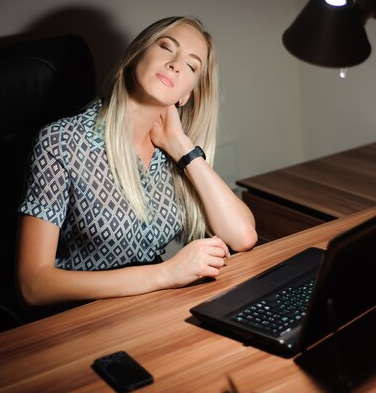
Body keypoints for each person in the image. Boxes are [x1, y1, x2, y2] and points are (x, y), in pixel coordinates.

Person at [16, 16, 257, 308]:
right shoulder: (62, 141)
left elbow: (243, 237)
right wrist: (166, 273)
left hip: (147, 312)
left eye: (192, 66)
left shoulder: (174, 150)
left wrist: (181, 147)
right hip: (79, 320)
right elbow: (33, 284)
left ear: (186, 95)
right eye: (167, 47)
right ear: (135, 55)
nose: (176, 64)